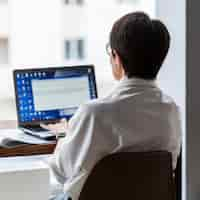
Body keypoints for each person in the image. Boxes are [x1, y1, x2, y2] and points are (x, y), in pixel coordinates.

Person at [43, 11, 182, 200]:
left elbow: (61, 172)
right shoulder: (171, 110)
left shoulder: (95, 113)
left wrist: (63, 135)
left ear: (116, 57)